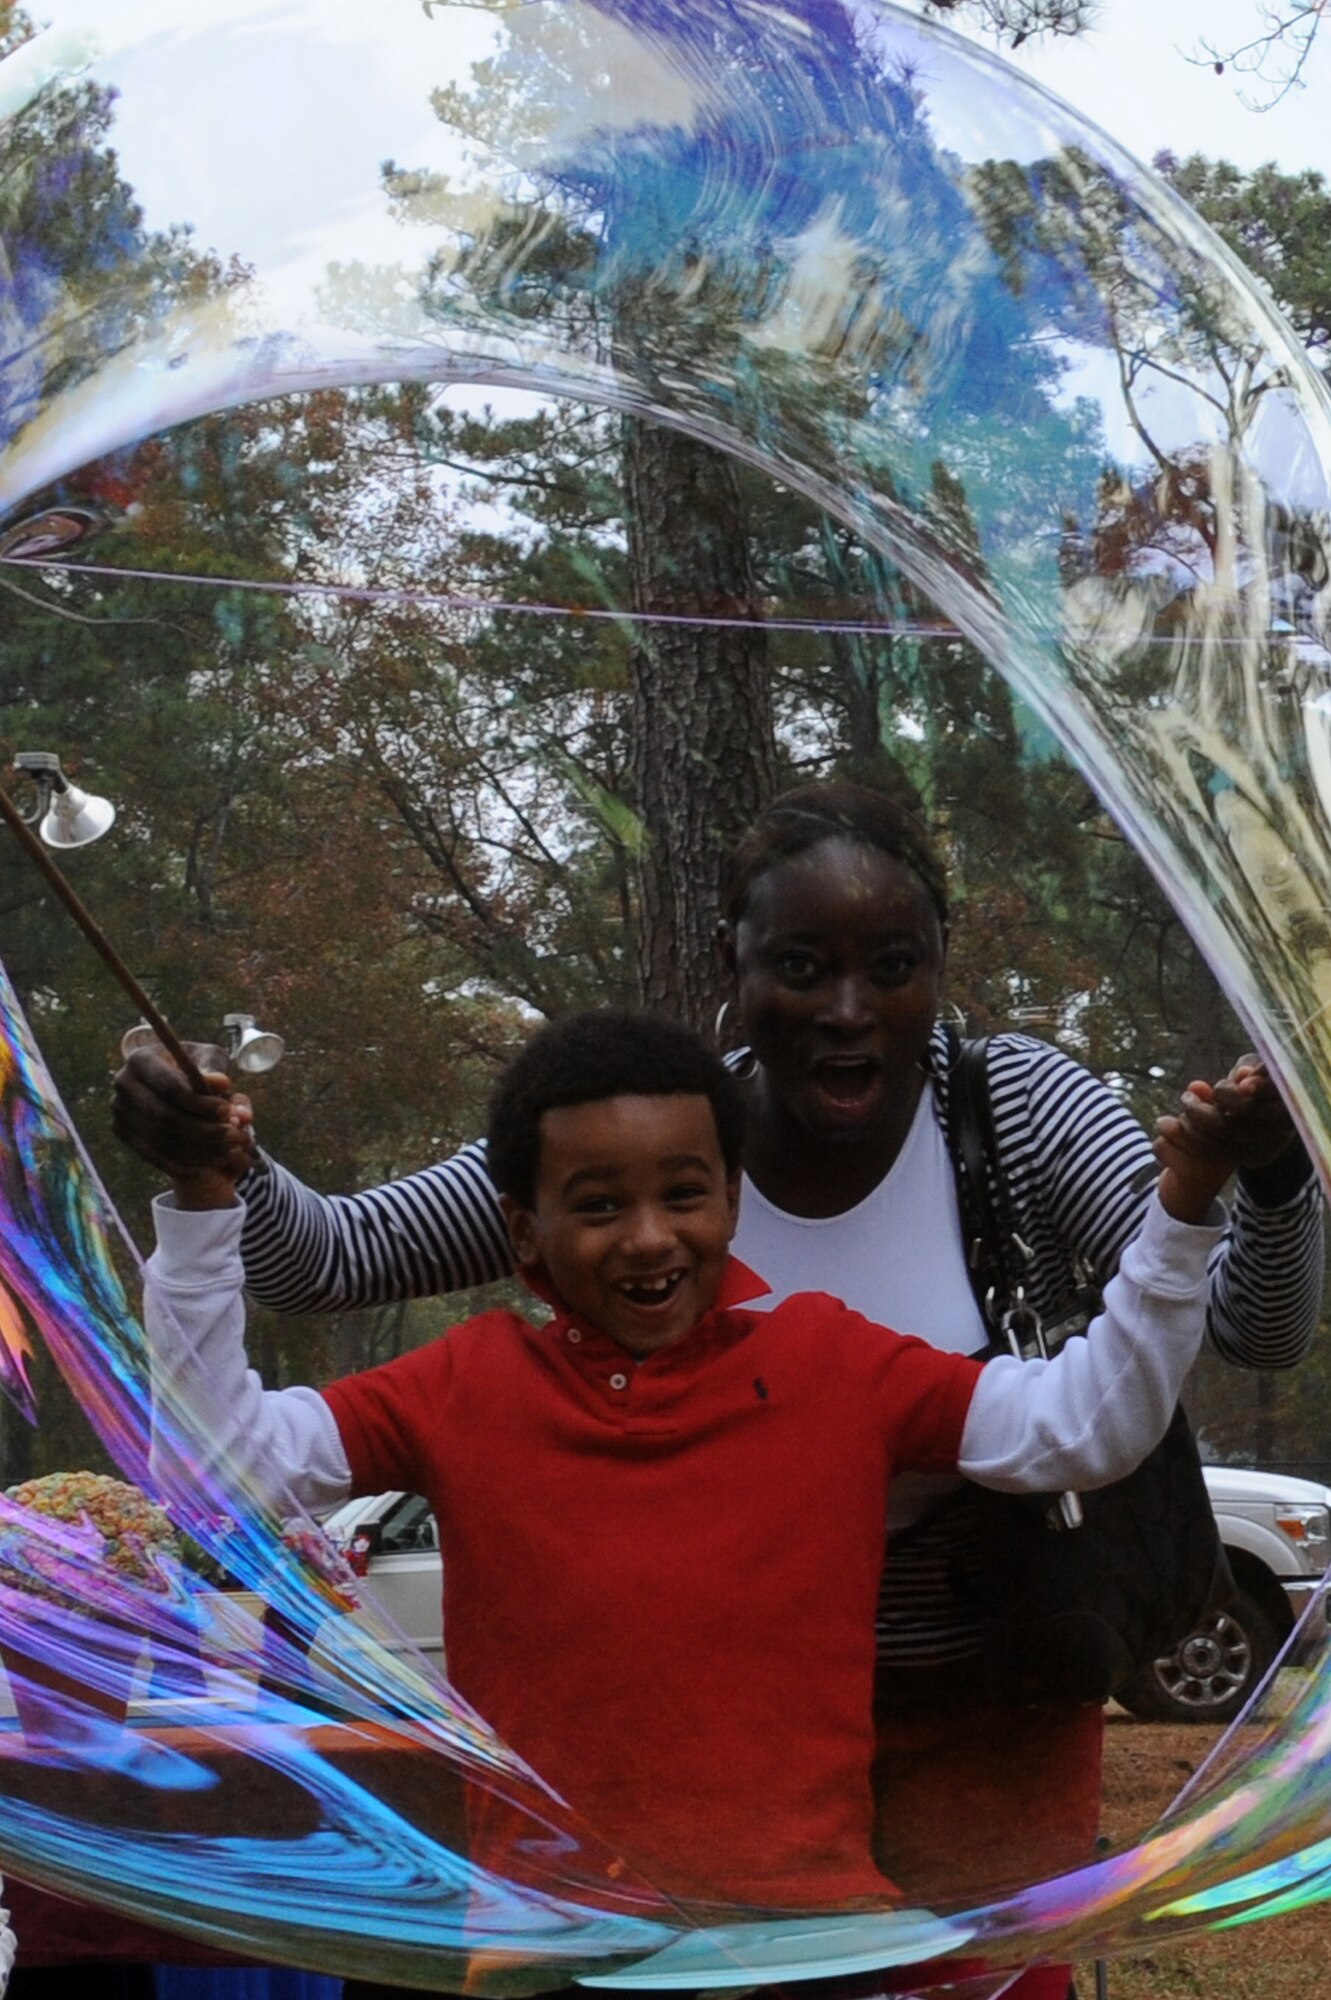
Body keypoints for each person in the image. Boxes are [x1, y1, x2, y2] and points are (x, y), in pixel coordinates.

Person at [114, 781, 1325, 2000]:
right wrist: (214, 1157)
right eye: (799, 964)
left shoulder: (999, 1127)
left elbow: (1216, 1343)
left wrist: (1251, 1183)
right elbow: (328, 1260)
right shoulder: (632, 1120)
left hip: (986, 1677)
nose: (846, 1009)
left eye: (893, 965)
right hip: (667, 1785)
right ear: (731, 964)